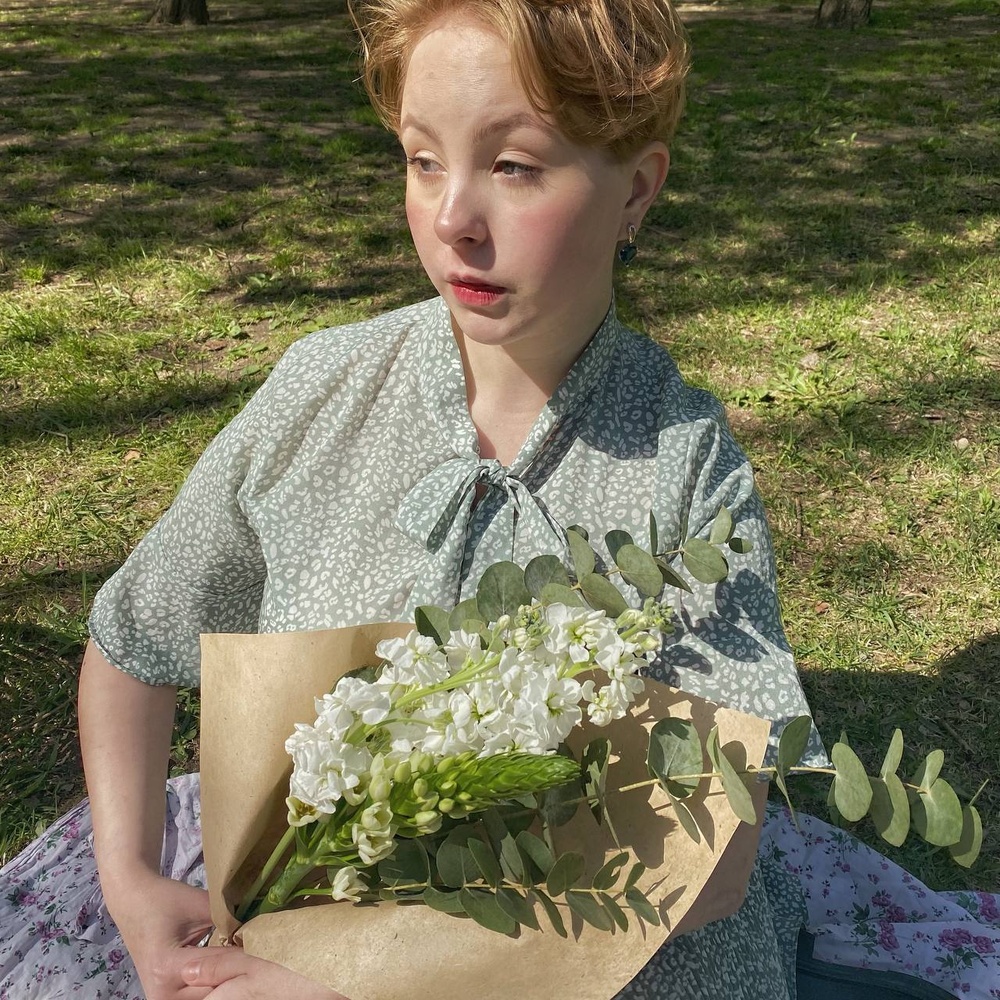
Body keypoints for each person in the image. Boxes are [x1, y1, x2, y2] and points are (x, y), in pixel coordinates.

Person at [2, 1, 997, 999]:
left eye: (513, 166)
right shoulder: (318, 394)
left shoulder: (679, 463)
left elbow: (713, 850)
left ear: (636, 189)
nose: (451, 218)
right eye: (422, 159)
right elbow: (135, 639)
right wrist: (130, 877)